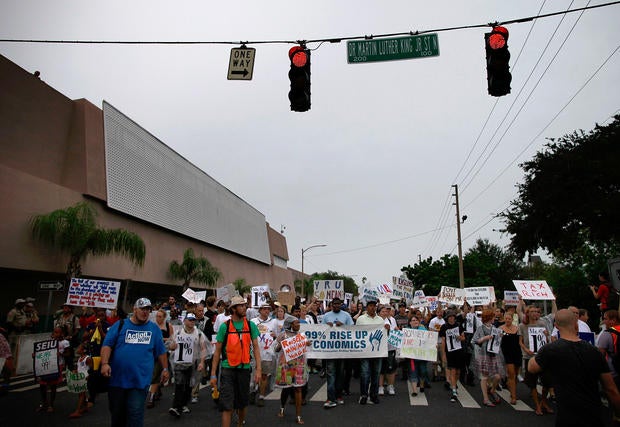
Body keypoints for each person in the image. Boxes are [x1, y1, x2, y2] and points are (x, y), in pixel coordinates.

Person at [529, 309, 620, 426]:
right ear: (576, 325)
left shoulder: (550, 350)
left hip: (567, 417)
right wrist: (618, 414)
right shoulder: (594, 351)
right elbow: (611, 389)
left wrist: (537, 353)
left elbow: (532, 368)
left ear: (556, 326)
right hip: (593, 415)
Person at [100, 298, 169, 427]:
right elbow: (107, 345)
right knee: (117, 416)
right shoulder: (120, 325)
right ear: (134, 310)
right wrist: (104, 363)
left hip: (139, 382)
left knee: (135, 415)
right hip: (117, 381)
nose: (145, 312)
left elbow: (161, 351)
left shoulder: (153, 329)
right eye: (142, 309)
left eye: (148, 309)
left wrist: (165, 369)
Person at [210, 296, 262, 427]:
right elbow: (217, 352)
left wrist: (258, 370)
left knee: (242, 403)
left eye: (245, 305)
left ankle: (240, 423)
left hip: (244, 369)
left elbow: (256, 348)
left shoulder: (251, 326)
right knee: (227, 405)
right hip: (227, 369)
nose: (244, 307)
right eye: (241, 305)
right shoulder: (224, 327)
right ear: (233, 309)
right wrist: (213, 374)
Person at [168, 313, 208, 417]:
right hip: (179, 364)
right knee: (179, 384)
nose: (191, 322)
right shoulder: (178, 333)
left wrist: (202, 362)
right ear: (184, 321)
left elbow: (203, 348)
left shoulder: (198, 334)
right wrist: (173, 346)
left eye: (193, 320)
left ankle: (184, 404)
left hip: (192, 364)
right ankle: (176, 407)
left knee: (189, 386)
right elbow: (171, 346)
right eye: (189, 320)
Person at [519, 303, 556, 415]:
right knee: (532, 382)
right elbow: (520, 341)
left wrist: (546, 335)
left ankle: (543, 402)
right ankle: (537, 405)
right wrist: (526, 349)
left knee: (547, 382)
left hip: (541, 356)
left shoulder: (542, 323)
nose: (535, 313)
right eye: (532, 311)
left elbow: (548, 340)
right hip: (529, 357)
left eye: (537, 311)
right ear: (528, 313)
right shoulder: (522, 325)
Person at [274, 316, 312, 425]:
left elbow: (307, 349)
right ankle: (282, 407)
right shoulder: (283, 335)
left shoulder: (300, 336)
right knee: (286, 389)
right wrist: (281, 345)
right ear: (291, 324)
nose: (298, 325)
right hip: (286, 365)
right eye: (296, 323)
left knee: (298, 389)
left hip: (299, 365)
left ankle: (298, 415)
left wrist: (307, 344)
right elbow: (275, 349)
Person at [321, 297, 353, 408]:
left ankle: (339, 395)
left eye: (338, 304)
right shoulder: (326, 316)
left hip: (342, 350)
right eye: (334, 304)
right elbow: (319, 331)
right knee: (330, 374)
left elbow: (353, 330)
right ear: (331, 305)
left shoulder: (346, 315)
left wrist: (343, 326)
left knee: (340, 374)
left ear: (341, 304)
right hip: (330, 350)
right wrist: (326, 327)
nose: (336, 306)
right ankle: (330, 398)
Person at [473, 309, 504, 407]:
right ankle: (485, 398)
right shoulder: (480, 328)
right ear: (489, 318)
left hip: (493, 354)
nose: (494, 319)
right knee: (484, 377)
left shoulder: (495, 328)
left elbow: (498, 342)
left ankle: (492, 390)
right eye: (493, 317)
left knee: (497, 376)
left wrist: (500, 336)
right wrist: (484, 339)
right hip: (483, 355)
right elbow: (474, 341)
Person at [356, 299, 385, 404]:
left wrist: (387, 329)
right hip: (365, 352)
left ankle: (374, 395)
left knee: (376, 374)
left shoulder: (380, 320)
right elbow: (356, 334)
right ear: (366, 307)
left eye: (374, 306)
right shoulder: (361, 319)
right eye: (370, 306)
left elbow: (384, 336)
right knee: (365, 374)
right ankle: (363, 395)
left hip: (377, 352)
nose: (372, 307)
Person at [35, 326, 70, 413]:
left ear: (62, 333)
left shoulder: (65, 342)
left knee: (53, 385)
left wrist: (60, 354)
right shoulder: (49, 342)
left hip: (57, 365)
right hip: (46, 365)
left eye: (58, 332)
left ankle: (51, 404)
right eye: (54, 332)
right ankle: (44, 403)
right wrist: (36, 355)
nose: (55, 334)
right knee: (42, 385)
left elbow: (68, 354)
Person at [146, 308, 174, 408]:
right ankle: (157, 390)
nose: (158, 318)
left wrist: (161, 339)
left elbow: (171, 339)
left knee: (156, 373)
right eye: (157, 316)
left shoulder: (168, 326)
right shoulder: (152, 326)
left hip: (163, 352)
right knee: (154, 373)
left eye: (160, 316)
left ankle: (151, 397)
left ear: (164, 317)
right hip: (152, 352)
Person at [251, 302, 277, 407]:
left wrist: (275, 336)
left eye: (268, 309)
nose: (267, 311)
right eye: (265, 309)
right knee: (253, 374)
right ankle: (253, 390)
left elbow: (277, 336)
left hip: (267, 353)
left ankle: (261, 396)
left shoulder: (273, 322)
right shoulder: (253, 322)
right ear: (260, 310)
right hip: (254, 352)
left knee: (264, 375)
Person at [439, 309, 466, 403]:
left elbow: (463, 337)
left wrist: (460, 338)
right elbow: (443, 341)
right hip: (450, 352)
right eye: (449, 317)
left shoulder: (458, 326)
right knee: (453, 371)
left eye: (453, 317)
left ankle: (454, 384)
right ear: (447, 318)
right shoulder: (444, 327)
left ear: (455, 318)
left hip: (459, 351)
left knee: (458, 371)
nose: (451, 319)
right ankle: (454, 391)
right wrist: (443, 354)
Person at [405, 315, 430, 396]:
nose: (415, 321)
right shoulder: (407, 332)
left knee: (423, 371)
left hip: (422, 356)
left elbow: (429, 340)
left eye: (416, 320)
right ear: (410, 322)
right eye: (413, 320)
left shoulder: (423, 330)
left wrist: (433, 345)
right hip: (412, 357)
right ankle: (415, 390)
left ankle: (422, 384)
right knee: (413, 372)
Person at [499, 311, 521, 404]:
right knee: (511, 373)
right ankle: (513, 396)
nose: (507, 320)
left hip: (517, 352)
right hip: (506, 353)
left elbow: (520, 341)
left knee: (516, 374)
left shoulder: (517, 329)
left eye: (509, 319)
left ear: (512, 319)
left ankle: (512, 389)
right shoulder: (500, 328)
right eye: (506, 318)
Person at [378, 304, 398, 396]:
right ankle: (380, 386)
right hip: (379, 348)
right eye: (383, 311)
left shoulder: (392, 320)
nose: (385, 312)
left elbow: (395, 332)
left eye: (386, 311)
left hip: (390, 348)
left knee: (391, 368)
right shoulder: (376, 321)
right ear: (379, 312)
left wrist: (394, 330)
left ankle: (390, 386)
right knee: (381, 368)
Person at [69, 343, 91, 418]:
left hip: (85, 378)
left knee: (81, 394)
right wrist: (75, 371)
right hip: (80, 378)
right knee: (81, 394)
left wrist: (89, 376)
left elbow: (91, 369)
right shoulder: (79, 358)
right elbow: (79, 368)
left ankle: (77, 411)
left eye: (79, 348)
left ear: (84, 350)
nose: (77, 349)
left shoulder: (87, 358)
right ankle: (85, 407)